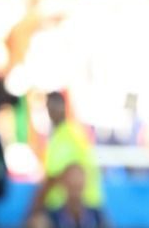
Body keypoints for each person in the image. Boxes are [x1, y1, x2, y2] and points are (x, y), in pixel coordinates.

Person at [27, 92, 104, 224]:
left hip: (79, 206)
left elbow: (60, 175)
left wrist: (35, 206)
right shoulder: (61, 135)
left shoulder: (68, 135)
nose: (52, 111)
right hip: (71, 205)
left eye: (55, 106)